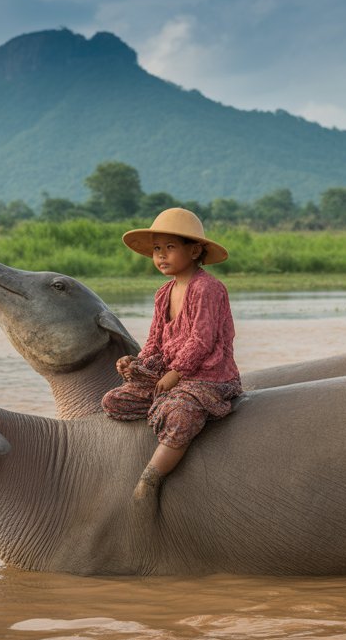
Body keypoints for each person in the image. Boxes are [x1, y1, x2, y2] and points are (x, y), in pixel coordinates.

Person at [102, 207, 243, 502]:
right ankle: (163, 407)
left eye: (170, 247)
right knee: (114, 401)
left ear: (194, 251)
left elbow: (202, 341)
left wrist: (175, 374)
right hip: (170, 375)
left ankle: (150, 479)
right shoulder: (163, 293)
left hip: (207, 377)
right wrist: (136, 363)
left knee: (180, 414)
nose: (161, 256)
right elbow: (155, 340)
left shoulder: (207, 289)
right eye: (157, 249)